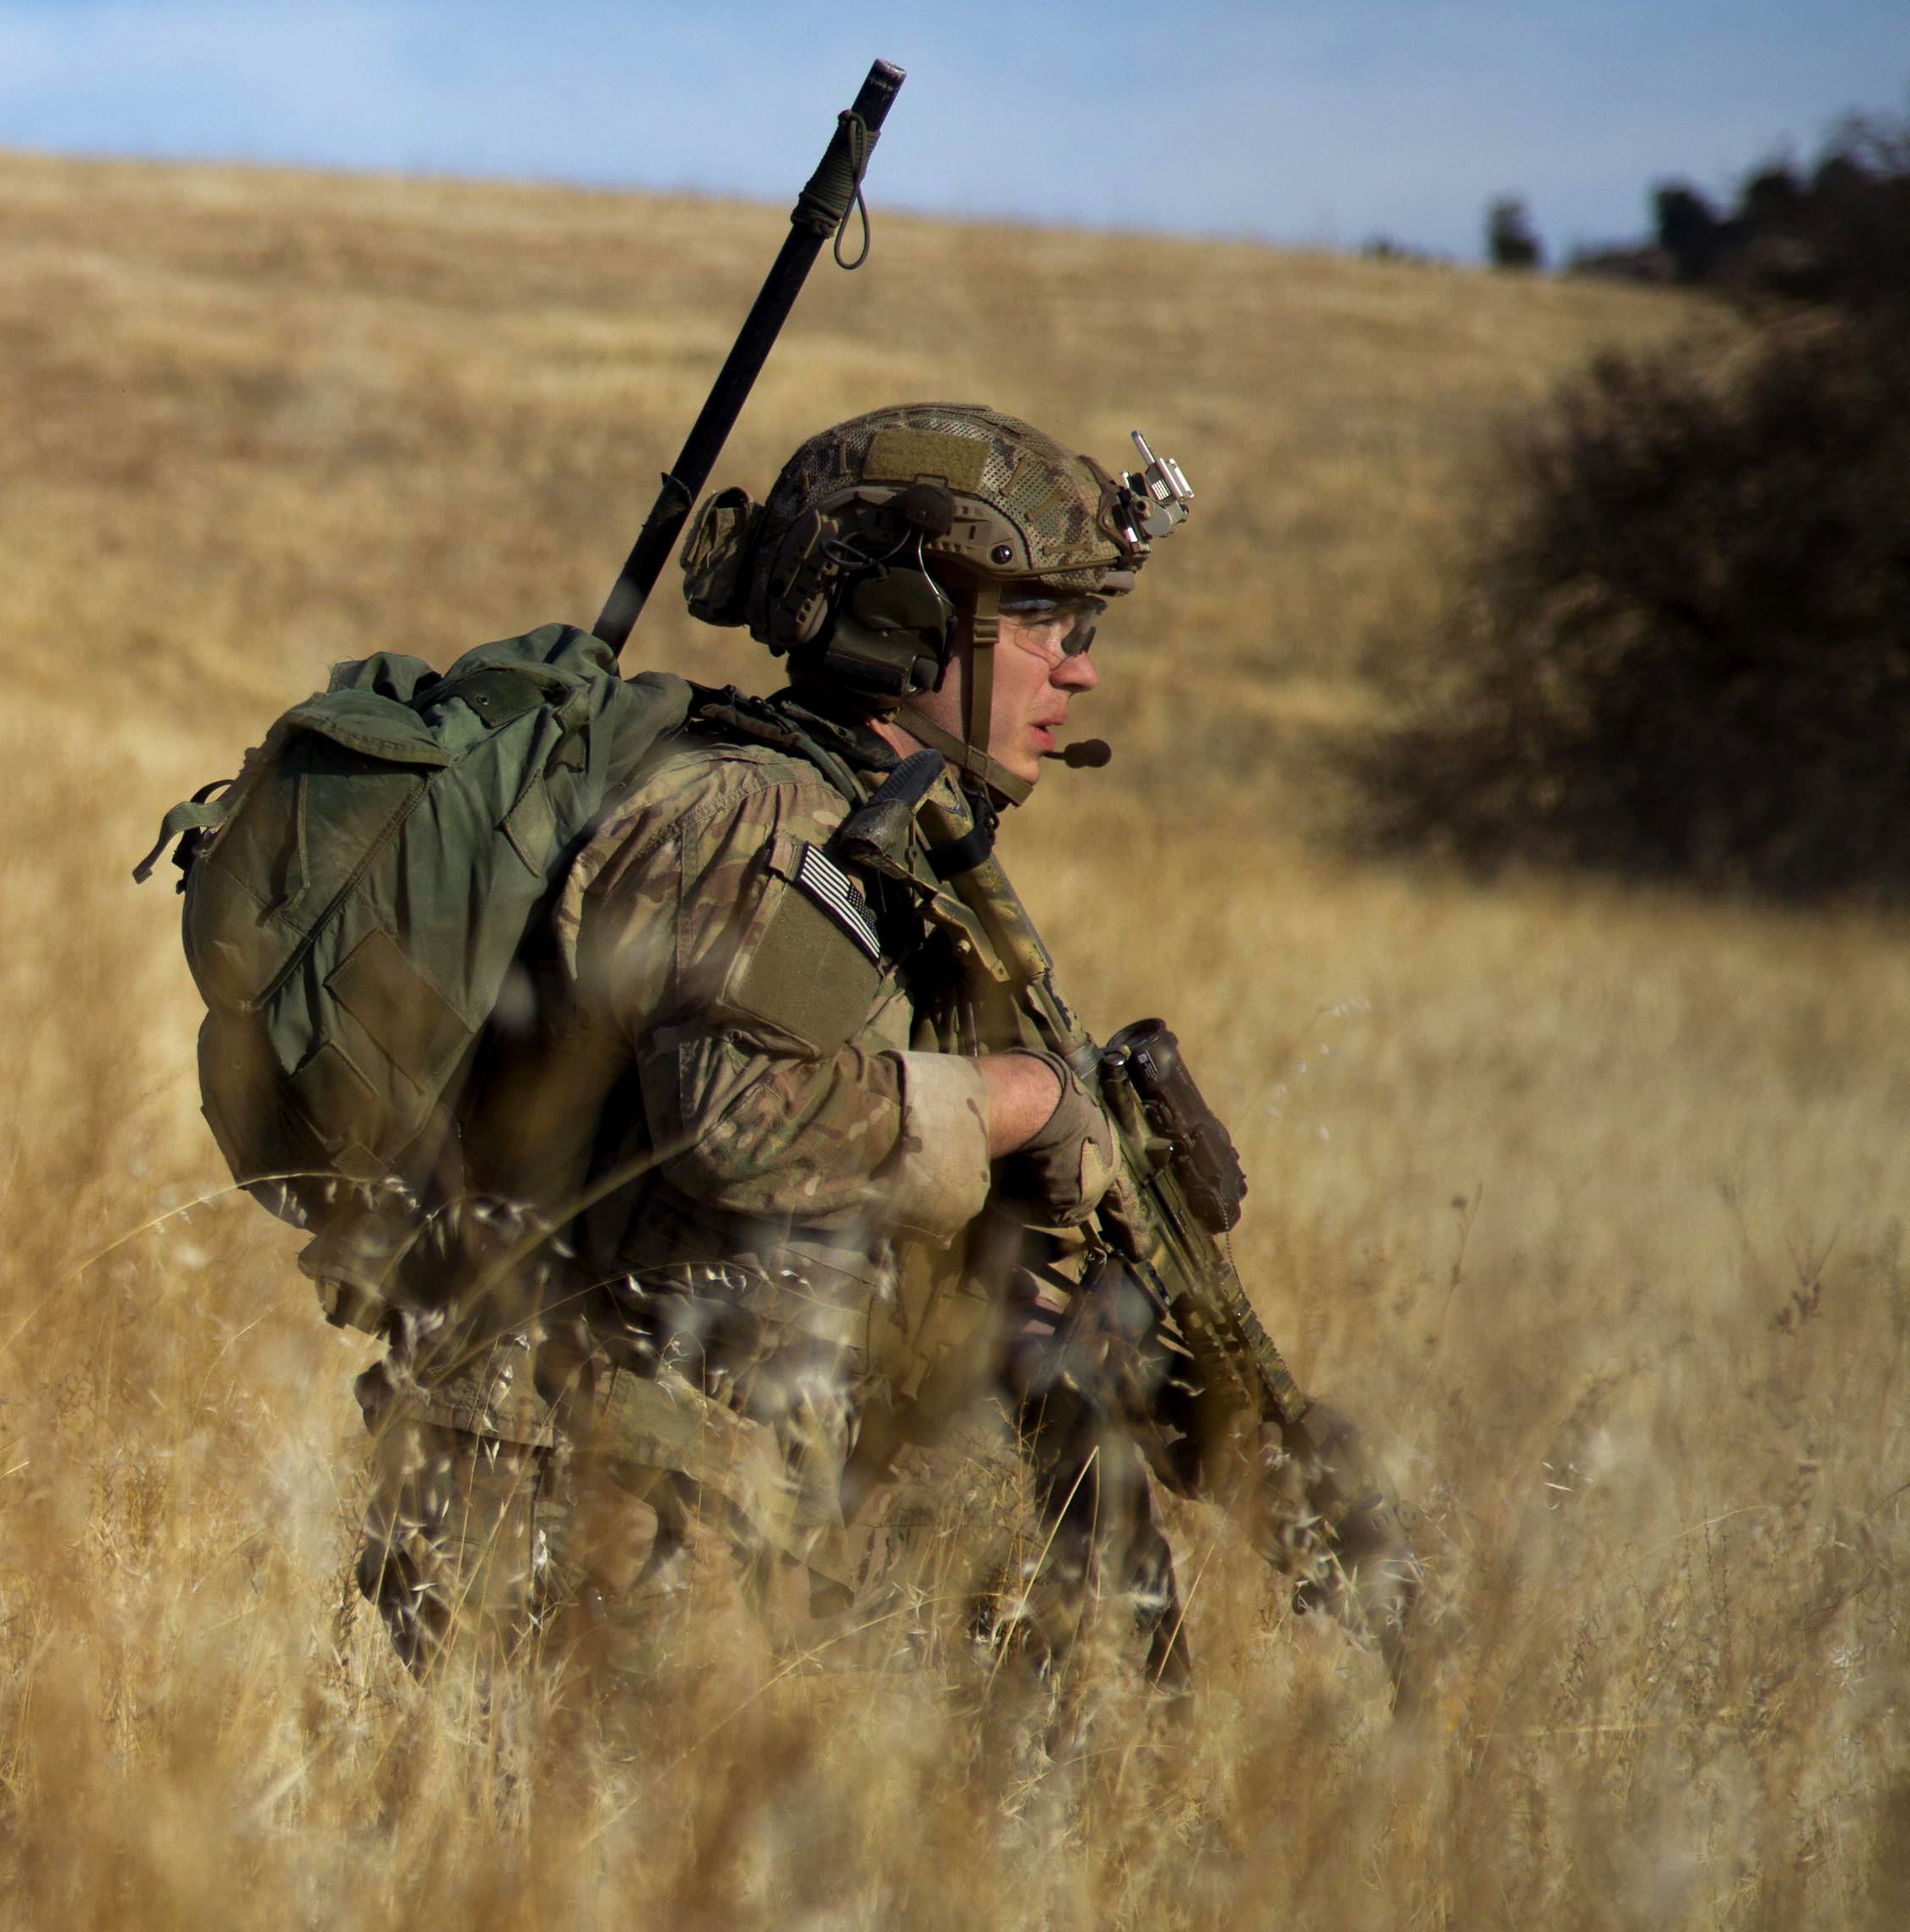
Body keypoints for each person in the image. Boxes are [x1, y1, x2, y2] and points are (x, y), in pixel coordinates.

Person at [356, 403, 1398, 1672]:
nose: (1076, 669)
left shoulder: (879, 838)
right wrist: (1018, 1100)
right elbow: (739, 1127)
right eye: (1036, 621)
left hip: (707, 1497)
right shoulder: (760, 825)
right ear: (901, 622)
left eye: (1085, 628)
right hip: (611, 1511)